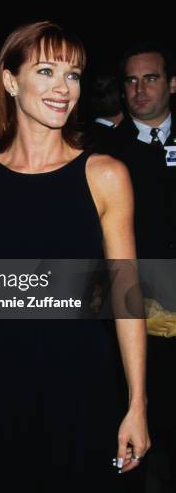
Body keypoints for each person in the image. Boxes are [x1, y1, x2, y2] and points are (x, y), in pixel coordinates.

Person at [0, 21, 150, 492]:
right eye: (46, 71)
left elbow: (128, 298)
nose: (64, 89)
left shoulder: (105, 176)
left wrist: (137, 403)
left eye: (74, 75)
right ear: (10, 81)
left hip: (84, 391)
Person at [107, 44, 176, 491]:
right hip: (134, 317)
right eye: (131, 80)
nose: (140, 89)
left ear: (171, 84)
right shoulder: (103, 148)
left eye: (150, 78)